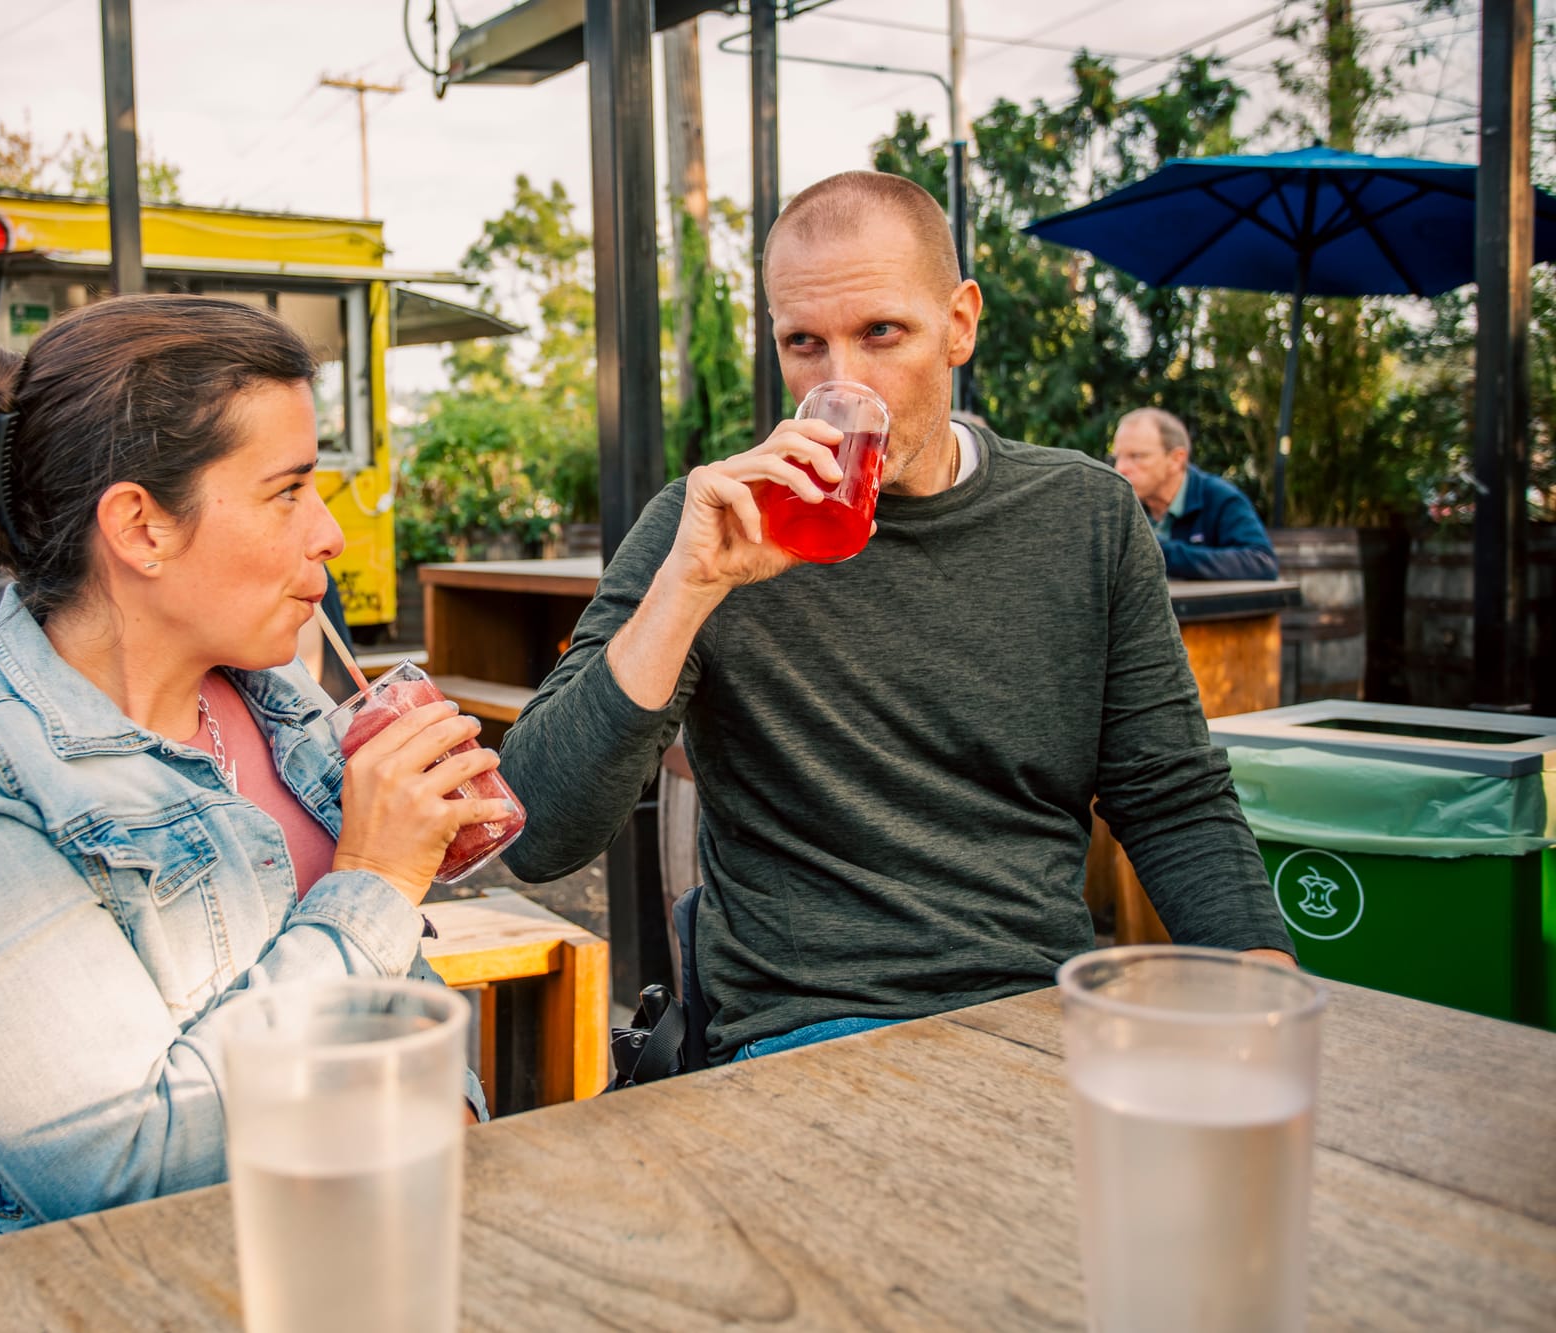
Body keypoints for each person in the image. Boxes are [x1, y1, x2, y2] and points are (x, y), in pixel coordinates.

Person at [499, 170, 1294, 1066]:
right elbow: (535, 832)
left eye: (881, 333)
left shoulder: (1085, 515)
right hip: (808, 1033)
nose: (843, 383)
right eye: (805, 344)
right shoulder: (710, 522)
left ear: (959, 322)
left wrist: (1267, 1005)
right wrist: (687, 588)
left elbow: (1171, 796)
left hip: (1042, 1019)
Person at [0, 295, 503, 1253]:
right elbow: (123, 1164)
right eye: (289, 491)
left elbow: (410, 1023)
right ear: (141, 527)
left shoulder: (276, 695)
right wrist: (373, 882)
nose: (327, 533)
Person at [1110, 408, 1279, 581]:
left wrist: (1157, 552)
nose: (1120, 468)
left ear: (1177, 459)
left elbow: (1261, 562)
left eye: (1136, 456)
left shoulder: (1219, 499)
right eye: (1117, 457)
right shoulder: (1118, 509)